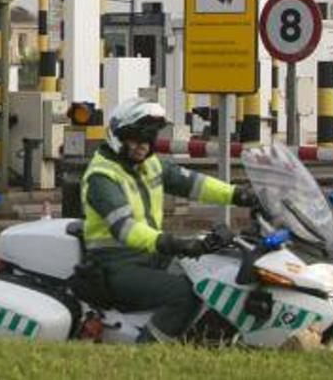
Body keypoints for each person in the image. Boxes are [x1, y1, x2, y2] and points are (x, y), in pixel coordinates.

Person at [80, 98, 259, 342]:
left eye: (148, 139)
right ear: (118, 137)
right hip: (116, 265)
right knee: (182, 294)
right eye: (136, 139)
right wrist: (175, 243)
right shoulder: (102, 177)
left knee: (210, 276)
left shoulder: (148, 164)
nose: (143, 146)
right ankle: (148, 356)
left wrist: (241, 195)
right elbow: (126, 229)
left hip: (151, 257)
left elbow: (195, 184)